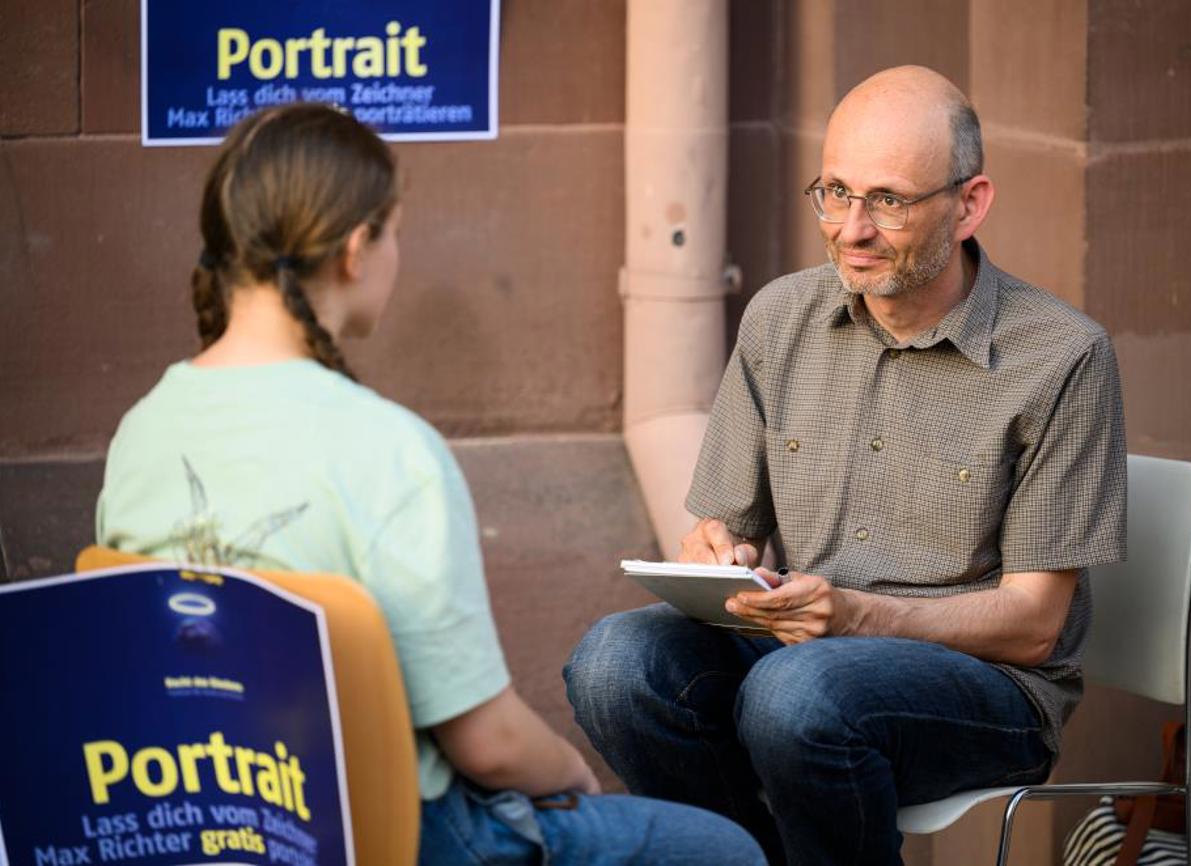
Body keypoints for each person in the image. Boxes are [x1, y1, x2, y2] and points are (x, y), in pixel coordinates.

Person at [96, 103, 766, 866]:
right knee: (723, 850)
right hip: (388, 831)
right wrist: (577, 778)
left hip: (198, 817)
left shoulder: (142, 431)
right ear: (356, 249)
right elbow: (488, 743)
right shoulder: (392, 451)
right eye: (396, 233)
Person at [564, 65, 1127, 866]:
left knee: (795, 697)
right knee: (615, 665)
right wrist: (717, 555)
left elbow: (1035, 627)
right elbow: (726, 524)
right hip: (802, 654)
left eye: (888, 201)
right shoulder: (780, 316)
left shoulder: (1061, 357)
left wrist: (862, 616)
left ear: (969, 204)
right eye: (833, 191)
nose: (850, 229)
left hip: (985, 686)